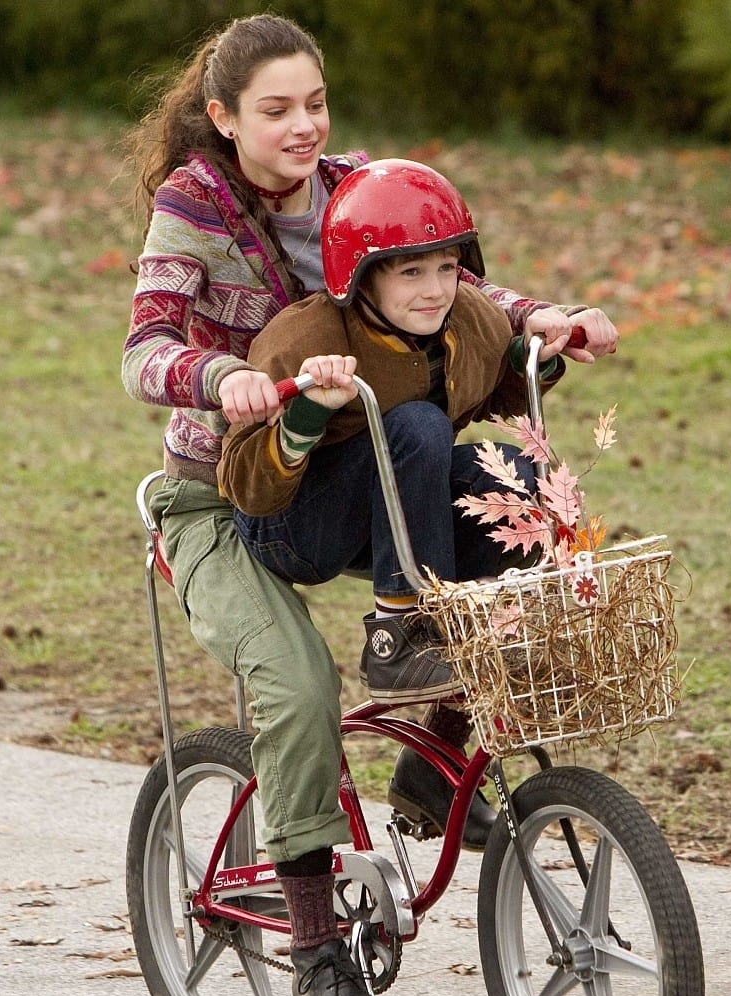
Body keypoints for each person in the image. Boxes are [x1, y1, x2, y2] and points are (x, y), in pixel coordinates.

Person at [118, 14, 615, 996]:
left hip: (359, 469)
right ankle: (316, 953)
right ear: (222, 116)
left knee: (510, 511)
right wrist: (226, 377)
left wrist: (544, 319)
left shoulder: (351, 184)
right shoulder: (194, 207)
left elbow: (447, 285)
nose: (304, 127)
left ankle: (437, 756)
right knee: (298, 685)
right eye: (276, 110)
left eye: (316, 103)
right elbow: (145, 349)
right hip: (229, 493)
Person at [218, 158, 605, 703]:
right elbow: (247, 491)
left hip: (400, 513)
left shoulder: (469, 318)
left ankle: (450, 721)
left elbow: (486, 391)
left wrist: (532, 358)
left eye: (446, 268)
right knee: (419, 426)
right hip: (294, 528)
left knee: (520, 484)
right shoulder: (303, 338)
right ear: (359, 276)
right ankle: (398, 640)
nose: (435, 291)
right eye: (411, 272)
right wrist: (306, 416)